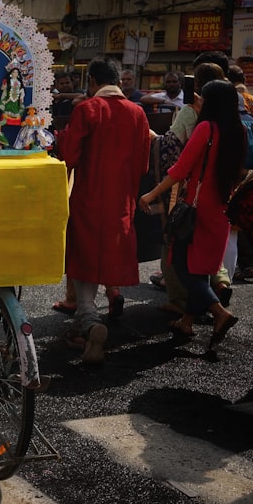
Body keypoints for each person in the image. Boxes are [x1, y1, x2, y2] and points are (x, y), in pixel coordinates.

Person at [57, 56, 150, 365]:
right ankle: (87, 318)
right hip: (121, 199)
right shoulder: (138, 113)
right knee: (107, 255)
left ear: (93, 82)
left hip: (88, 196)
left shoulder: (87, 109)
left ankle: (89, 318)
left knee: (83, 255)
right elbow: (144, 163)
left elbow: (69, 155)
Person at [139, 80, 243, 349]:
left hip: (196, 210)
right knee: (202, 268)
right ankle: (187, 321)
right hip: (222, 209)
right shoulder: (239, 130)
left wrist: (150, 194)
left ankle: (220, 313)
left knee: (184, 267)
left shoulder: (206, 128)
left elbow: (181, 169)